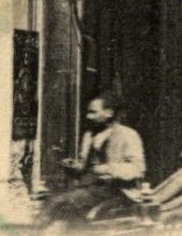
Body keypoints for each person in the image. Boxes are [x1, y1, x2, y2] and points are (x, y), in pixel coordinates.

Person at [42, 92, 147, 226]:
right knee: (54, 201)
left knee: (57, 202)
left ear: (109, 113)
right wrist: (74, 166)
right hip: (90, 189)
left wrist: (109, 169)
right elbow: (84, 168)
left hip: (117, 192)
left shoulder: (128, 135)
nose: (88, 116)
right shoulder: (89, 135)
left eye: (93, 112)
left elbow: (138, 169)